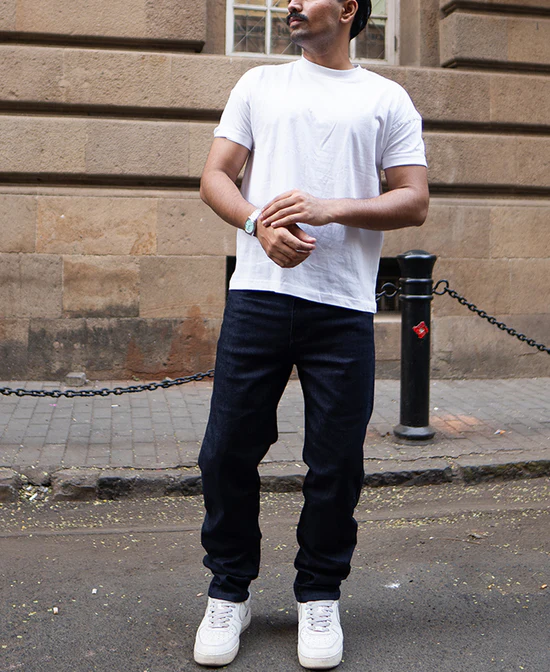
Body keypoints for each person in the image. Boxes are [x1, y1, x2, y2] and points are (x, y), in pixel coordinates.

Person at [194, 0, 429, 667]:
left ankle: (319, 594)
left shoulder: (386, 98)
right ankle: (228, 591)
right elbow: (215, 176)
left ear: (349, 8)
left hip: (343, 307)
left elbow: (413, 199)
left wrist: (331, 207)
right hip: (258, 298)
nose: (292, 2)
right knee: (225, 451)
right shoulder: (259, 84)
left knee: (336, 462)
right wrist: (255, 226)